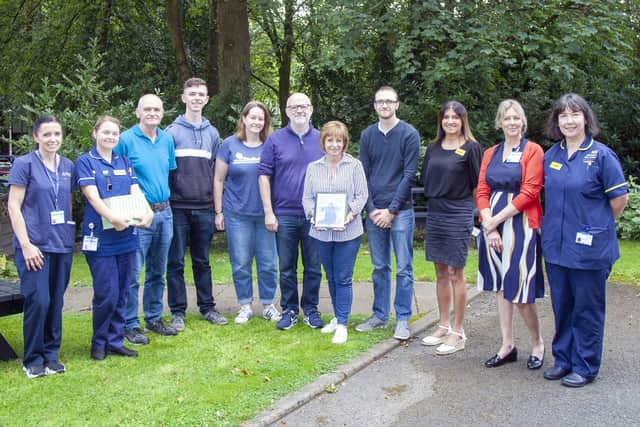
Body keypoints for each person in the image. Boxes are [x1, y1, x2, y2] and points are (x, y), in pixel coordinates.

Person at [542, 93, 628, 387]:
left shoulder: (602, 155)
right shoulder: (550, 156)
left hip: (590, 251)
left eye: (575, 114)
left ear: (585, 118)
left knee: (587, 310)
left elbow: (619, 199)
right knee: (562, 306)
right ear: (557, 121)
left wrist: (596, 225)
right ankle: (563, 360)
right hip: (556, 248)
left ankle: (585, 365)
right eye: (563, 115)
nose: (569, 120)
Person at [76, 116, 153, 361]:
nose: (110, 137)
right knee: (106, 293)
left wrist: (147, 211)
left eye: (115, 134)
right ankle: (98, 343)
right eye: (106, 132)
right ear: (95, 133)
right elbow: (92, 197)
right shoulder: (86, 162)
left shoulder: (124, 161)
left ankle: (115, 341)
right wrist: (113, 218)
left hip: (127, 237)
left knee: (122, 292)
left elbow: (135, 190)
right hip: (101, 237)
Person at [475, 100, 545, 369]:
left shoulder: (533, 151)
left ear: (523, 122)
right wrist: (488, 223)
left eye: (517, 118)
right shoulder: (491, 153)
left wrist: (494, 222)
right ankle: (507, 345)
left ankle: (538, 342)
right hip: (492, 224)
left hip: (521, 224)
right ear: (500, 122)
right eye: (507, 118)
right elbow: (482, 189)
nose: (512, 123)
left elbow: (530, 192)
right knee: (500, 287)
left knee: (520, 289)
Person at [7, 115, 75, 378]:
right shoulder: (24, 164)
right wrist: (26, 245)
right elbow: (14, 206)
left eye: (56, 134)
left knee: (56, 301)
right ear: (36, 137)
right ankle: (33, 359)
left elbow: (66, 201)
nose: (52, 139)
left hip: (61, 244)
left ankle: (51, 355)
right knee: (39, 300)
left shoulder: (67, 165)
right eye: (46, 134)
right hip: (34, 245)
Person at [357, 86, 420, 340]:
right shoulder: (368, 135)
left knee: (403, 267)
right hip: (374, 213)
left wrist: (391, 210)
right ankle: (380, 315)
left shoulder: (409, 134)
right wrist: (371, 209)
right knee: (379, 266)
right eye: (380, 102)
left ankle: (402, 319)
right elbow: (364, 175)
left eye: (389, 101)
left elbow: (408, 175)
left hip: (400, 212)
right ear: (374, 106)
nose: (384, 105)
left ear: (397, 105)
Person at [258, 92, 324, 330]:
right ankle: (289, 310)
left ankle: (312, 310)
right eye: (294, 107)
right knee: (286, 267)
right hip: (283, 214)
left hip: (314, 215)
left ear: (311, 109)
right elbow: (264, 176)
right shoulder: (274, 140)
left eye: (304, 106)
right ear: (286, 111)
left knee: (313, 267)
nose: (299, 110)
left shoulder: (322, 139)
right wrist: (268, 211)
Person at [114, 94, 178, 344]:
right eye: (147, 109)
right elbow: (117, 177)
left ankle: (153, 318)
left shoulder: (167, 140)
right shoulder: (125, 140)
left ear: (162, 113)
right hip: (138, 214)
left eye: (157, 109)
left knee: (157, 271)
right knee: (132, 272)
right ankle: (130, 323)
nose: (153, 113)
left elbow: (168, 173)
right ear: (137, 112)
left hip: (165, 213)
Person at [166, 77, 227, 331]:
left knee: (202, 261)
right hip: (177, 207)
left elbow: (217, 175)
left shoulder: (213, 134)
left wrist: (216, 209)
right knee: (176, 262)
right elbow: (167, 171)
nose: (197, 98)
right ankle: (178, 312)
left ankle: (208, 307)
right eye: (192, 94)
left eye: (201, 94)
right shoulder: (171, 133)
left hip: (203, 207)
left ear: (206, 99)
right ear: (184, 98)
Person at [420, 100, 481, 354]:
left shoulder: (471, 148)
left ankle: (458, 331)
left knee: (456, 273)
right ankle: (443, 325)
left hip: (459, 212)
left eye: (456, 117)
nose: (451, 121)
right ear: (441, 121)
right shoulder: (433, 147)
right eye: (446, 117)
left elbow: (479, 185)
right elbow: (425, 179)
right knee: (441, 272)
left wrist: (478, 214)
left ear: (463, 121)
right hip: (436, 212)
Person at [214, 101, 280, 324]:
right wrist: (218, 211)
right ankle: (244, 305)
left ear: (265, 122)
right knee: (241, 261)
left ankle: (269, 304)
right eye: (252, 117)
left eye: (261, 118)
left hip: (264, 214)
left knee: (268, 262)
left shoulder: (271, 145)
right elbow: (219, 179)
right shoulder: (229, 145)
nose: (256, 122)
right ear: (243, 119)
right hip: (236, 213)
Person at [302, 121, 368, 344]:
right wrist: (313, 215)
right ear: (323, 142)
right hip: (321, 233)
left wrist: (350, 215)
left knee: (343, 277)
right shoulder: (313, 168)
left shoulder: (354, 166)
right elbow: (307, 198)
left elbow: (362, 195)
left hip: (348, 232)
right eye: (330, 140)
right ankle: (338, 316)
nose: (334, 145)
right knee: (330, 276)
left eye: (338, 140)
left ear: (344, 143)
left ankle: (342, 324)